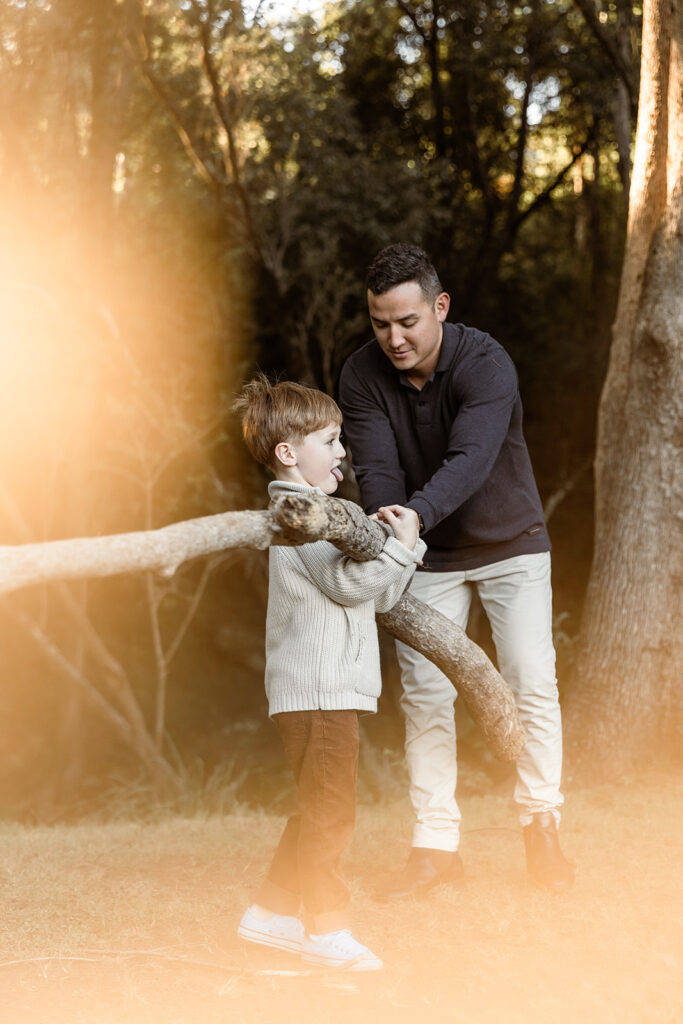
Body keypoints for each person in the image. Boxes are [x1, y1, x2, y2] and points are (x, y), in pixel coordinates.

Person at [338, 243, 574, 895]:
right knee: (425, 694)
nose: (393, 338)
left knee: (529, 678)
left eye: (407, 321)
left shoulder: (485, 362)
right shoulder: (360, 376)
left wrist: (414, 514)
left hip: (511, 542)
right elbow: (377, 470)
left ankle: (540, 825)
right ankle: (436, 846)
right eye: (380, 323)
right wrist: (395, 526)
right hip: (427, 555)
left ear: (439, 307)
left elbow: (470, 459)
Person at [233, 375, 426, 970]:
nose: (342, 451)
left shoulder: (324, 510)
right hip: (315, 688)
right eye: (331, 440)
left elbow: (380, 599)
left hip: (331, 688)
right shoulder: (297, 512)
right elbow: (346, 586)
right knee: (331, 809)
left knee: (319, 803)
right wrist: (401, 550)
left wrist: (399, 550)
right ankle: (325, 929)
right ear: (290, 454)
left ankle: (267, 915)